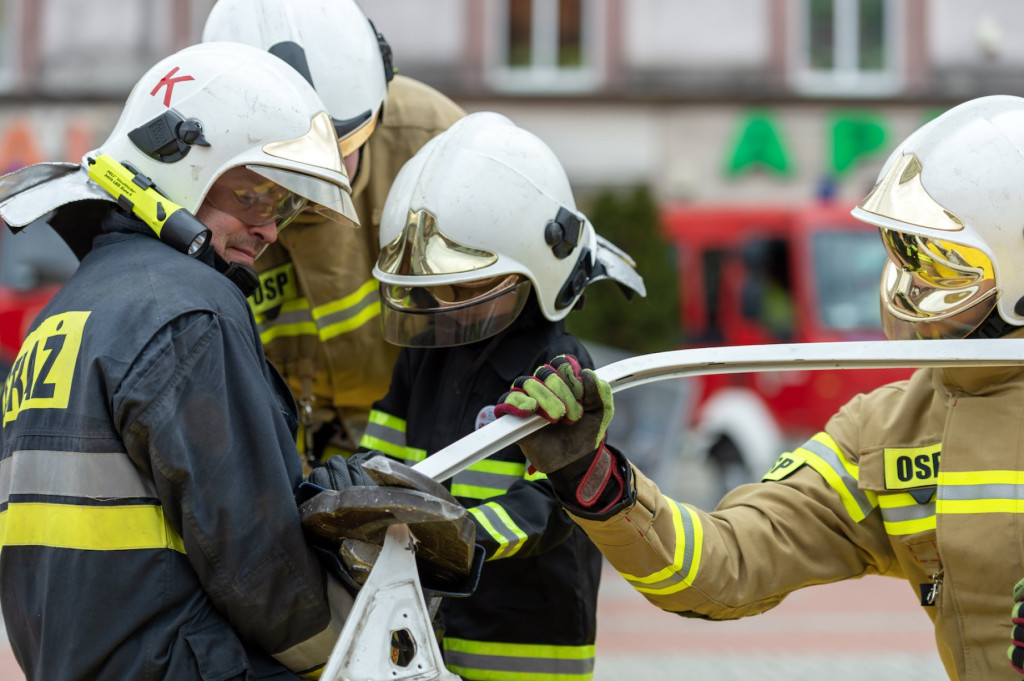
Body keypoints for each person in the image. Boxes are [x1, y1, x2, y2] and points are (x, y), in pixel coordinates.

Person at [494, 94, 1024, 681]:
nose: (907, 284)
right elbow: (731, 561)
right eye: (905, 253)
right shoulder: (888, 432)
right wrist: (593, 479)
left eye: (941, 262)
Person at [0, 42, 433, 680]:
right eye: (256, 195)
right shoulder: (191, 313)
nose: (270, 230)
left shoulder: (61, 317)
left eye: (283, 206)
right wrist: (350, 652)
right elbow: (261, 566)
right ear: (184, 165)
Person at [357, 112, 646, 680]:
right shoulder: (426, 352)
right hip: (428, 625)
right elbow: (382, 458)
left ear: (532, 272)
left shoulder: (560, 369)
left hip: (527, 641)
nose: (446, 303)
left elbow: (558, 504)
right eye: (436, 289)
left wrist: (461, 536)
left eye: (466, 288)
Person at [202, 0, 466, 464]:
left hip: (431, 454)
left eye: (335, 151)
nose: (311, 184)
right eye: (279, 167)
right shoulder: (192, 167)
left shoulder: (440, 147)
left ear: (376, 115)